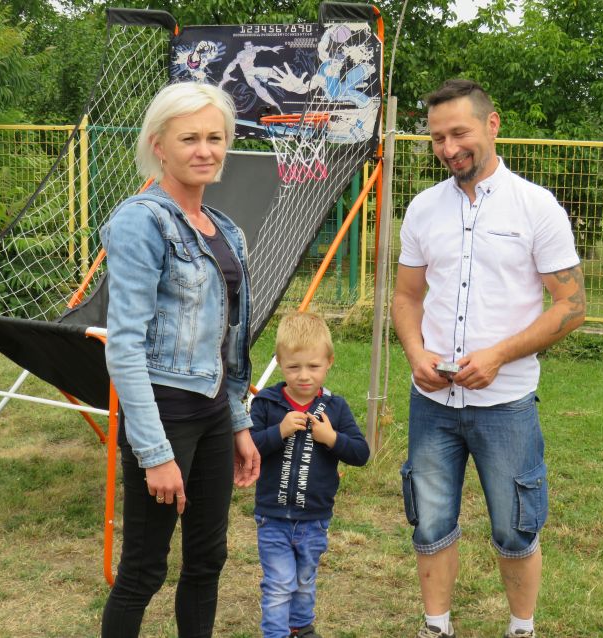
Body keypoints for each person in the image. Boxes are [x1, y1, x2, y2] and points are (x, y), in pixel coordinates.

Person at [391, 79, 586, 638]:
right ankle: (436, 626)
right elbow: (406, 296)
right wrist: (415, 353)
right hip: (432, 401)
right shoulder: (423, 208)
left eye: (459, 133)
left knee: (515, 526)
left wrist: (499, 355)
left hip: (506, 404)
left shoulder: (536, 207)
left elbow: (572, 305)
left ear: (492, 124)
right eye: (437, 138)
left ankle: (521, 628)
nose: (449, 148)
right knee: (429, 521)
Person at [100, 81, 261, 638]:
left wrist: (237, 421)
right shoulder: (141, 221)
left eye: (215, 137)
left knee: (207, 560)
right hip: (164, 415)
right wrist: (154, 453)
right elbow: (124, 345)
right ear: (158, 145)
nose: (205, 150)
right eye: (189, 138)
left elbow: (227, 342)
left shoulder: (225, 229)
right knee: (144, 570)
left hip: (213, 413)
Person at [249, 311, 370, 638]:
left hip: (315, 516)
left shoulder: (335, 408)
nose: (304, 376)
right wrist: (278, 431)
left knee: (304, 579)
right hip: (273, 515)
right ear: (279, 363)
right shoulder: (266, 403)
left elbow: (360, 453)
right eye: (293, 367)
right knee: (279, 583)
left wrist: (331, 438)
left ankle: (300, 627)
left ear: (329, 362)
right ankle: (275, 633)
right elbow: (249, 448)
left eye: (313, 366)